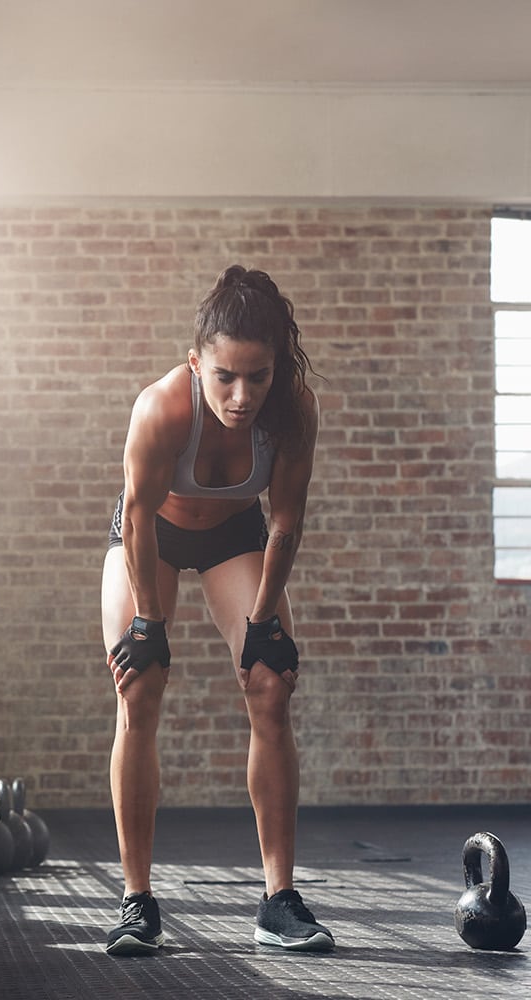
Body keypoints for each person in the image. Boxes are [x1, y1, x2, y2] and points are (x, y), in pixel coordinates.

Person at [100, 264, 332, 955]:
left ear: (276, 369)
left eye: (257, 377)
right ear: (197, 361)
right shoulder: (162, 409)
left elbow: (285, 523)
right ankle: (137, 901)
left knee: (269, 685)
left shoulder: (293, 410)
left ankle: (278, 900)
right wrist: (148, 621)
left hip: (235, 535)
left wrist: (263, 624)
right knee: (137, 684)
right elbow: (138, 519)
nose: (241, 395)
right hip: (152, 536)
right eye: (225, 376)